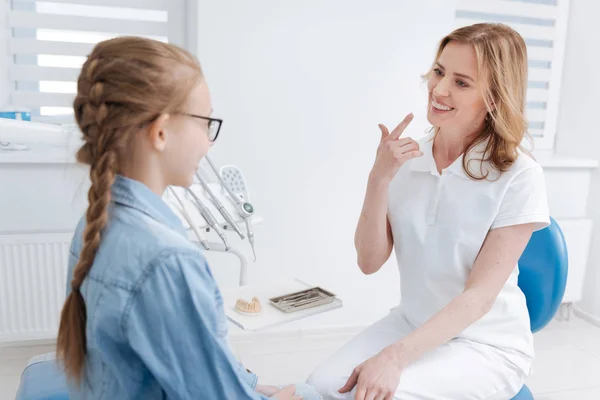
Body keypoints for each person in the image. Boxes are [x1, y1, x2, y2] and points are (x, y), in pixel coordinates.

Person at [56, 36, 321, 400]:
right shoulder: (166, 260)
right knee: (313, 391)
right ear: (161, 131)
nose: (209, 142)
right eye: (205, 123)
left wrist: (250, 386)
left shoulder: (94, 222)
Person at [307, 23, 549, 400]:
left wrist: (394, 358)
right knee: (320, 387)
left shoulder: (518, 175)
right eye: (439, 72)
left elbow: (479, 298)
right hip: (412, 323)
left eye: (462, 82)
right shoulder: (406, 160)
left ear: (494, 98)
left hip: (485, 345)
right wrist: (379, 179)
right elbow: (369, 262)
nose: (439, 90)